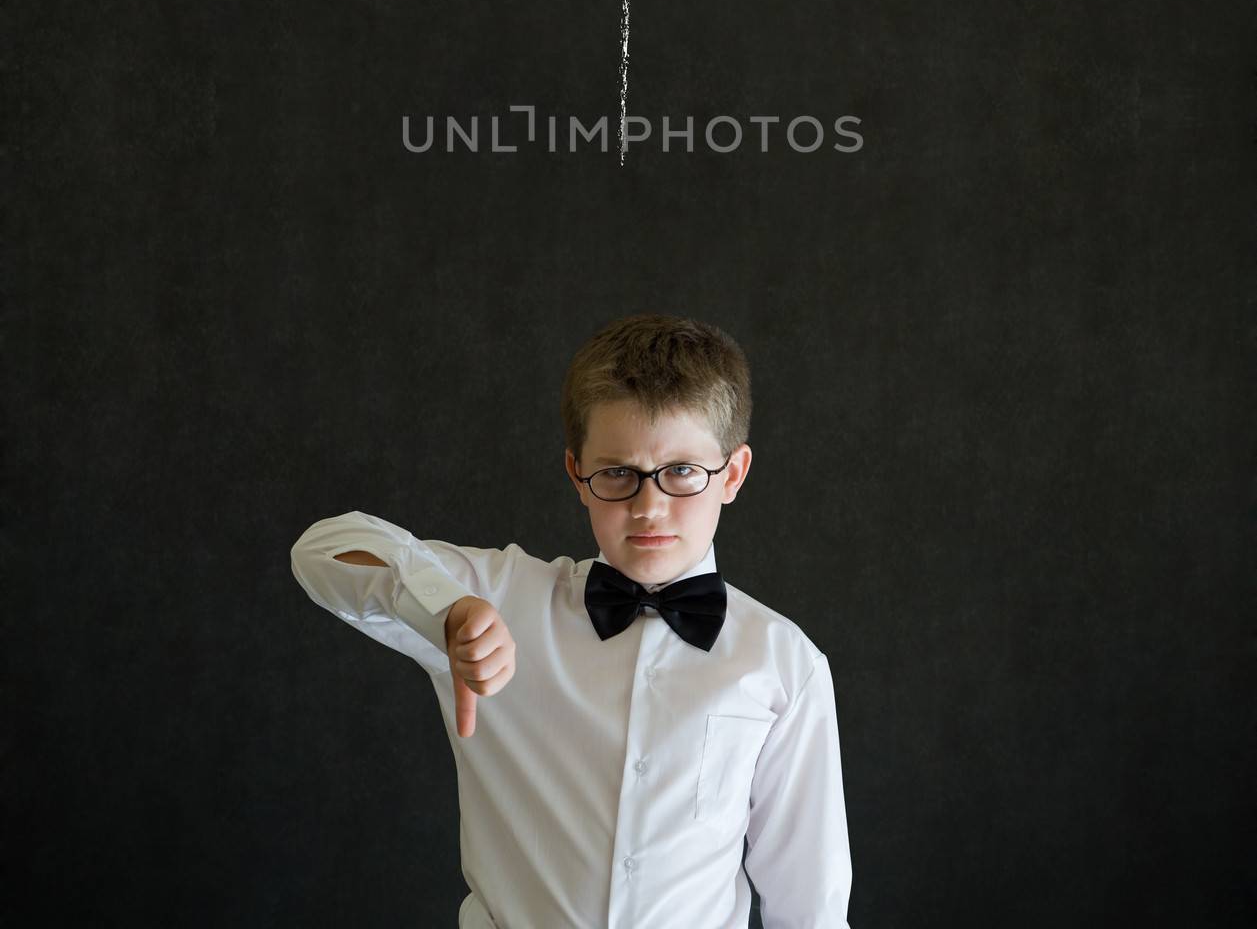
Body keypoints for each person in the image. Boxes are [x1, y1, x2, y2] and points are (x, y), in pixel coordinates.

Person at [290, 312, 854, 928]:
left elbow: (811, 908)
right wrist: (445, 610)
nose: (649, 507)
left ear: (734, 474)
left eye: (683, 472)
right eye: (617, 473)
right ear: (577, 476)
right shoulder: (503, 596)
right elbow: (321, 551)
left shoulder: (784, 662)